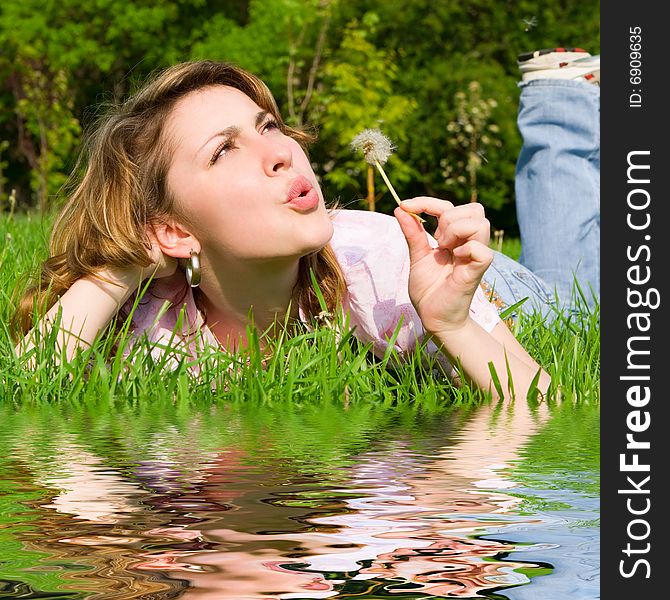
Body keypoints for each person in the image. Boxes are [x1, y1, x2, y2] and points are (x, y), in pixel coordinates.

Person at [12, 50, 599, 399]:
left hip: (492, 287)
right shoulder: (163, 330)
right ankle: (563, 98)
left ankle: (561, 104)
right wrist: (119, 266)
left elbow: (546, 405)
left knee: (595, 307)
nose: (281, 152)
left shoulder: (382, 262)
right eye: (223, 151)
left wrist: (451, 322)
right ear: (174, 231)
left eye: (268, 126)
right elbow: (27, 398)